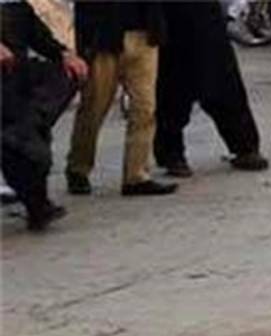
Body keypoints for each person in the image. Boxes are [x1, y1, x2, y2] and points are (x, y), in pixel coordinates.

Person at [66, 0, 176, 196]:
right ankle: (78, 167)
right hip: (104, 33)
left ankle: (136, 175)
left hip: (144, 31)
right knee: (94, 107)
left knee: (145, 107)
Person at [1, 0, 88, 230]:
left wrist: (63, 54)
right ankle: (37, 206)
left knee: (30, 135)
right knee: (22, 142)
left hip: (16, 77)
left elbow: (35, 32)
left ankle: (38, 206)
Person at [154, 1, 267, 177]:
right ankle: (172, 155)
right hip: (171, 19)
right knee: (173, 90)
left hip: (206, 18)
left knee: (223, 84)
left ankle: (245, 147)